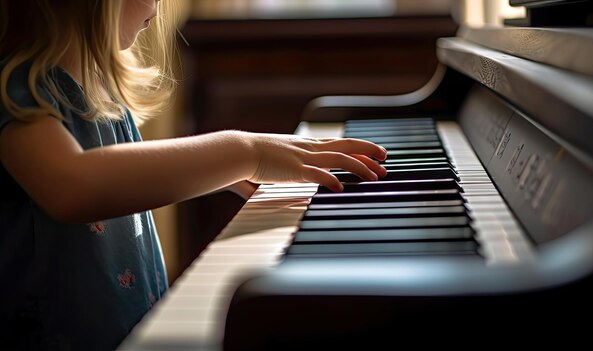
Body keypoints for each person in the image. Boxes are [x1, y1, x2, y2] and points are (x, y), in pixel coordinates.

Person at [0, 0, 387, 349]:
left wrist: (222, 171)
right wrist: (244, 152)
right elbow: (75, 186)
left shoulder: (98, 96)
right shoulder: (15, 91)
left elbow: (121, 174)